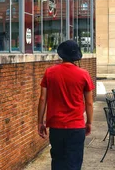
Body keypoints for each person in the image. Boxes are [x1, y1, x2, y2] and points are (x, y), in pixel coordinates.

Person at [38, 40, 94, 170]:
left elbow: (42, 99)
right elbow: (89, 103)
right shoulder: (83, 74)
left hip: (56, 127)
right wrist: (89, 122)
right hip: (76, 127)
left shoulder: (49, 72)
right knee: (74, 163)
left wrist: (40, 122)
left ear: (61, 55)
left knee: (57, 162)